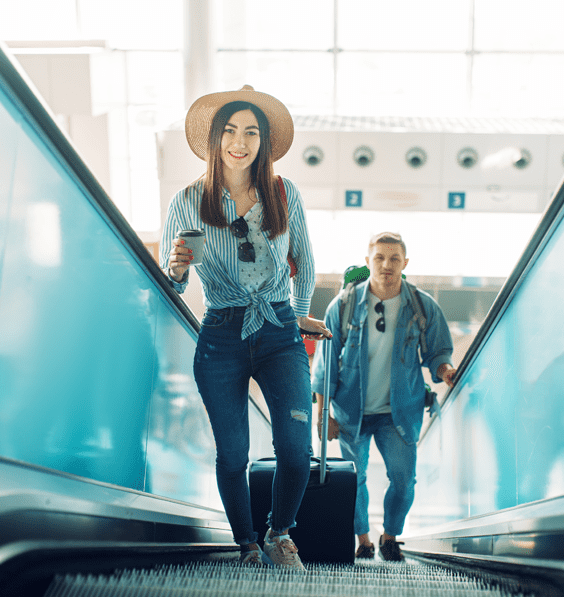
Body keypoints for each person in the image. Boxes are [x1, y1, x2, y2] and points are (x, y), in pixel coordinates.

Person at [160, 85, 332, 569]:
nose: (241, 141)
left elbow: (306, 261)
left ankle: (280, 533)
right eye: (231, 131)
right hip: (221, 335)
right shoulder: (189, 201)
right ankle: (247, 544)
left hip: (279, 331)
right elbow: (171, 283)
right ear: (215, 139)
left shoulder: (282, 193)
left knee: (297, 452)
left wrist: (297, 314)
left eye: (252, 132)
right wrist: (175, 270)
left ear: (263, 142)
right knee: (233, 455)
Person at [311, 232, 456, 561]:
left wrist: (445, 370)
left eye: (394, 259)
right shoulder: (345, 305)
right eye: (379, 258)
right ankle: (363, 538)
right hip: (351, 412)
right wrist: (323, 416)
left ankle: (390, 536)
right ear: (368, 261)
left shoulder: (421, 306)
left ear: (405, 263)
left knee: (404, 480)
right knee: (354, 479)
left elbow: (438, 351)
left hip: (399, 413)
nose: (386, 265)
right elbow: (325, 365)